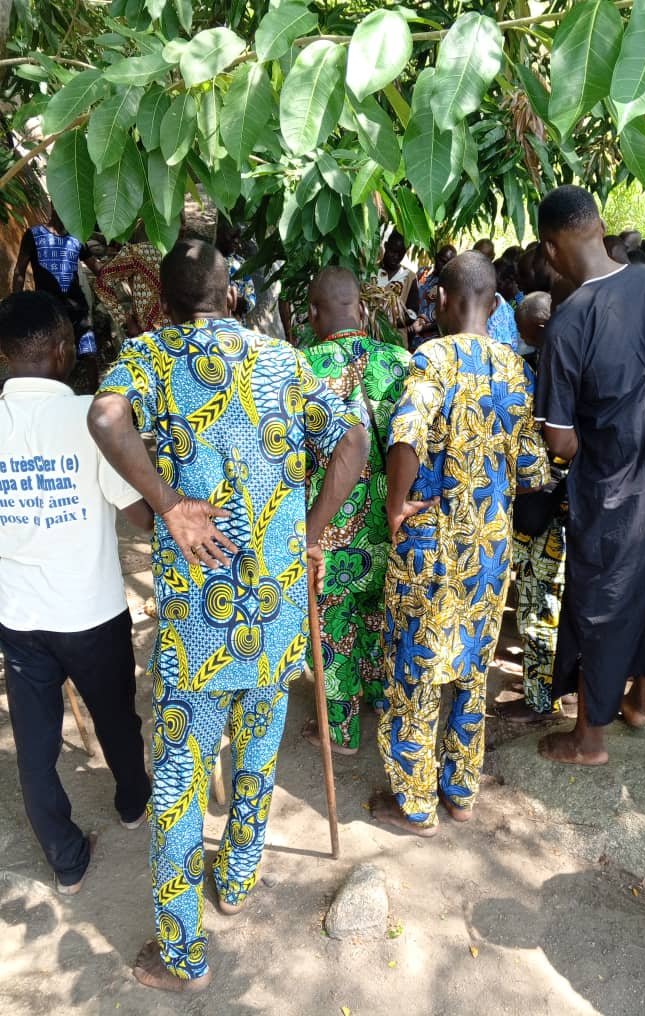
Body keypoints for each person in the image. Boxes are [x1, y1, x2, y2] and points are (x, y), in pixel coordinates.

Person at [88, 240, 369, 992]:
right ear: (233, 297)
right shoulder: (285, 362)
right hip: (273, 609)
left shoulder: (150, 356)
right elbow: (352, 440)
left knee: (180, 776)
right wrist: (307, 537)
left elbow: (108, 417)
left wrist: (170, 506)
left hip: (199, 625)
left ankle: (183, 955)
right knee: (259, 742)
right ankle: (238, 878)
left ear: (165, 303)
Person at [369, 251, 548, 835]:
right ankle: (460, 789)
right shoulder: (517, 371)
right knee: (473, 668)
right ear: (495, 304)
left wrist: (397, 504)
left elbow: (405, 435)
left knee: (416, 669)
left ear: (441, 299)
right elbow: (531, 471)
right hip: (488, 550)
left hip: (430, 543)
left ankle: (415, 802)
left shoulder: (431, 360)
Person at [533, 185, 645, 766]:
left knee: (600, 602)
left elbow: (559, 439)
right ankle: (638, 701)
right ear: (600, 226)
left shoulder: (571, 322)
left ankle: (589, 739)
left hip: (616, 487)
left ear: (550, 250)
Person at [0, 292, 152, 895]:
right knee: (117, 718)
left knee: (35, 748)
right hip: (89, 613)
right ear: (64, 351)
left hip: (18, 617)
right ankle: (133, 803)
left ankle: (66, 860)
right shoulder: (93, 417)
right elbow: (140, 514)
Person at [300, 267, 410, 753]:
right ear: (363, 310)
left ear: (311, 314)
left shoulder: (300, 369)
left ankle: (339, 730)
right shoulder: (401, 362)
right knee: (382, 616)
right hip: (392, 525)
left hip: (328, 530)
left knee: (332, 625)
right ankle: (384, 707)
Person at [495, 291, 568, 725]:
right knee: (542, 602)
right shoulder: (561, 362)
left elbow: (546, 450)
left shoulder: (553, 369)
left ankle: (542, 702)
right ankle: (549, 689)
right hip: (554, 504)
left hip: (547, 508)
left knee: (540, 607)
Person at [13, 208, 101, 392]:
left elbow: (97, 268)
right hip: (48, 312)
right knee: (53, 360)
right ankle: (57, 397)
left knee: (90, 354)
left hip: (78, 309)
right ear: (54, 206)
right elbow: (19, 271)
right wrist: (17, 302)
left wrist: (119, 273)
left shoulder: (77, 237)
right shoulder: (33, 235)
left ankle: (94, 395)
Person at [94, 224, 167, 337]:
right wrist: (126, 320)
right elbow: (102, 282)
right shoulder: (139, 253)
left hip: (174, 335)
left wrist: (126, 320)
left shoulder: (187, 255)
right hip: (151, 335)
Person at [373, 229, 420, 338]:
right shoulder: (372, 271)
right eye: (393, 251)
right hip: (370, 337)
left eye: (400, 254)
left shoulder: (409, 277)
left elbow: (412, 314)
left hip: (396, 340)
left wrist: (387, 323)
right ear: (385, 245)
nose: (396, 257)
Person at [412, 243, 457, 350]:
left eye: (448, 264)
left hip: (428, 342)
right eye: (442, 261)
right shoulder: (422, 273)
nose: (444, 266)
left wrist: (423, 328)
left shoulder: (451, 288)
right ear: (436, 257)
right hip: (408, 330)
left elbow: (446, 320)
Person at [215, 218, 257, 325]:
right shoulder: (207, 259)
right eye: (232, 237)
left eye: (238, 238)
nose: (237, 242)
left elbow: (251, 296)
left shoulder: (241, 263)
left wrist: (242, 303)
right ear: (220, 236)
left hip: (236, 325)